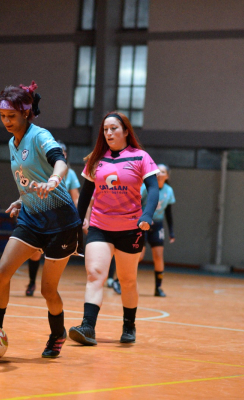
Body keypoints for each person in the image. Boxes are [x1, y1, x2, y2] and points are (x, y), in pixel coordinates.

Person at [0, 81, 82, 358]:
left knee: (47, 290)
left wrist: (54, 179)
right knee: (3, 273)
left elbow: (59, 161)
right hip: (30, 217)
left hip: (61, 223)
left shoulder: (40, 136)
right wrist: (21, 199)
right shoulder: (11, 142)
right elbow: (26, 179)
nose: (6, 121)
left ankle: (57, 334)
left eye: (11, 116)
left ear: (26, 113)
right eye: (3, 117)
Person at [69, 111, 159, 346]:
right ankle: (88, 327)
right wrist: (77, 224)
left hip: (131, 228)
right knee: (95, 275)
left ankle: (129, 325)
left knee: (128, 280)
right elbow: (85, 195)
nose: (108, 133)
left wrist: (147, 214)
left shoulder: (140, 157)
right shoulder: (96, 159)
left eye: (114, 129)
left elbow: (153, 189)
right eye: (105, 129)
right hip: (100, 226)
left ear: (126, 131)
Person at [25, 140, 80, 297]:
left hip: (61, 219)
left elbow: (76, 197)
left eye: (63, 152)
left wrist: (80, 217)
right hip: (41, 216)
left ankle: (50, 287)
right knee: (35, 253)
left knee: (55, 255)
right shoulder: (41, 170)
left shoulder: (70, 174)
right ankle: (31, 282)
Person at [139, 164, 176, 297]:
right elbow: (136, 204)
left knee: (158, 256)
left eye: (163, 171)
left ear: (167, 176)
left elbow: (169, 213)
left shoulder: (169, 191)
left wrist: (171, 232)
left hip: (157, 226)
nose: (160, 173)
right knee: (139, 256)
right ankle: (118, 281)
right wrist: (144, 217)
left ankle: (158, 288)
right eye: (158, 171)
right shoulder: (146, 187)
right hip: (143, 224)